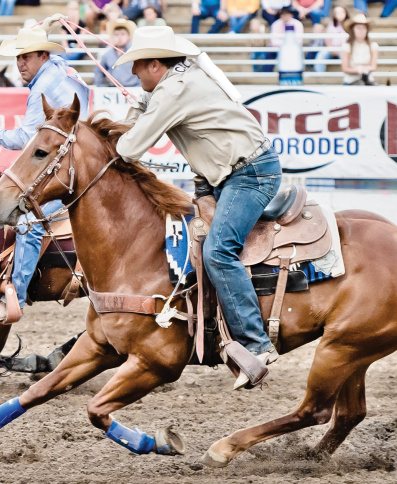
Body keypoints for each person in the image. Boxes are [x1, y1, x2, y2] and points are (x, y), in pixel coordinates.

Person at [114, 26, 281, 389]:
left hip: (248, 174)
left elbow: (129, 148)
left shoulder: (173, 90)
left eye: (137, 66)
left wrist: (134, 113)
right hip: (226, 174)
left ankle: (257, 344)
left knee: (219, 251)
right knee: (200, 243)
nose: (133, 73)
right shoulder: (176, 81)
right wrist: (141, 102)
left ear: (155, 64)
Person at [0, 25, 91, 322]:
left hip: (70, 164)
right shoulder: (59, 68)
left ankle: (17, 298)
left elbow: (27, 138)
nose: (20, 64)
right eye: (18, 58)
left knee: (29, 221)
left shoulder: (42, 87)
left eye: (25, 57)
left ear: (42, 55)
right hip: (81, 153)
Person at [94, 19, 140, 87]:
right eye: (116, 35)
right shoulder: (107, 55)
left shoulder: (135, 54)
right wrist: (101, 86)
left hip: (132, 89)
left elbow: (142, 71)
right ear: (113, 37)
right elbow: (99, 72)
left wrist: (139, 87)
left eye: (123, 34)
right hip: (113, 89)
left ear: (128, 36)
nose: (119, 37)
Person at [340, 13, 377, 85]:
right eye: (358, 28)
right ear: (353, 29)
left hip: (367, 80)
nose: (361, 31)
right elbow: (345, 68)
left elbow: (373, 66)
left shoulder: (373, 46)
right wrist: (358, 70)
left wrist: (366, 70)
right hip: (350, 81)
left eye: (364, 28)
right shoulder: (346, 46)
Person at [313, 4, 345, 72]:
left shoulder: (349, 25)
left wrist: (340, 49)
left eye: (341, 12)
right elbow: (327, 39)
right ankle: (319, 76)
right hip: (331, 48)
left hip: (344, 49)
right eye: (337, 13)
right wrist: (331, 48)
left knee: (345, 56)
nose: (339, 14)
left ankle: (348, 77)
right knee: (320, 56)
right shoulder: (331, 25)